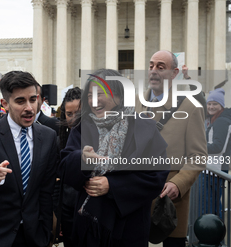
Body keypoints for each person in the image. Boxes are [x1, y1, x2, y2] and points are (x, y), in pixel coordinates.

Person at [59, 69, 169, 246]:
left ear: (119, 95)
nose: (94, 101)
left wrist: (113, 186)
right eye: (89, 95)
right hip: (88, 228)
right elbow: (64, 167)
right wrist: (82, 159)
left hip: (129, 228)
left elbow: (157, 176)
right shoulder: (81, 126)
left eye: (100, 93)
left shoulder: (144, 127)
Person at [0, 71, 57, 247]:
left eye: (33, 99)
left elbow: (47, 191)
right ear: (5, 103)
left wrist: (46, 232)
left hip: (33, 236)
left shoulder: (49, 137)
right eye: (20, 101)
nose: (29, 107)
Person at [135, 50, 207, 247]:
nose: (153, 71)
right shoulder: (137, 103)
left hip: (168, 204)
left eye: (160, 67)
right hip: (136, 199)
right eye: (151, 66)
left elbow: (198, 156)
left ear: (174, 73)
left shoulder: (190, 107)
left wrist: (178, 183)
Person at [57, 87, 81, 247]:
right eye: (69, 114)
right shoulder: (58, 140)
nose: (73, 119)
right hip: (66, 209)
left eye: (78, 114)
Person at [202, 88, 231, 216]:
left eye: (215, 104)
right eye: (209, 103)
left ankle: (211, 234)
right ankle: (216, 234)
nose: (211, 106)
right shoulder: (217, 119)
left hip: (214, 170)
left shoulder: (221, 122)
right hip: (214, 170)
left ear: (221, 106)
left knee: (207, 207)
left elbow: (218, 147)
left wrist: (197, 147)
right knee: (213, 206)